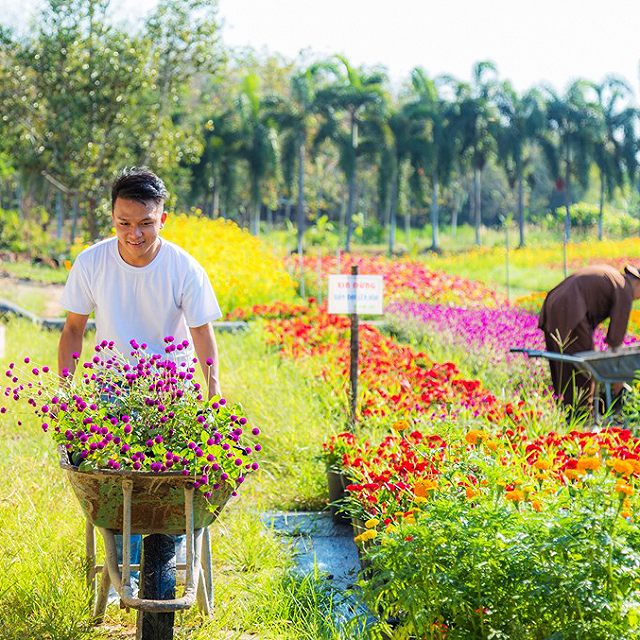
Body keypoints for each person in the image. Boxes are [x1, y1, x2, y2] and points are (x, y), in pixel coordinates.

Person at [58, 166, 222, 601]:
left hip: (174, 388)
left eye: (146, 223)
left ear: (162, 219)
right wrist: (65, 391)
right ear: (111, 218)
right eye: (124, 223)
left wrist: (213, 391)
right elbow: (73, 329)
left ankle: (166, 557)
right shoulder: (92, 263)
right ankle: (121, 572)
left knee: (173, 483)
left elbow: (203, 333)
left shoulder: (183, 267)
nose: (135, 233)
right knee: (117, 480)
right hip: (115, 387)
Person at [538, 263, 640, 417]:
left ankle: (567, 413)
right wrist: (618, 386)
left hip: (554, 303)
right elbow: (615, 341)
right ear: (638, 284)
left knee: (563, 365)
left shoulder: (614, 277)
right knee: (584, 368)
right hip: (571, 308)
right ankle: (582, 416)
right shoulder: (624, 289)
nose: (637, 299)